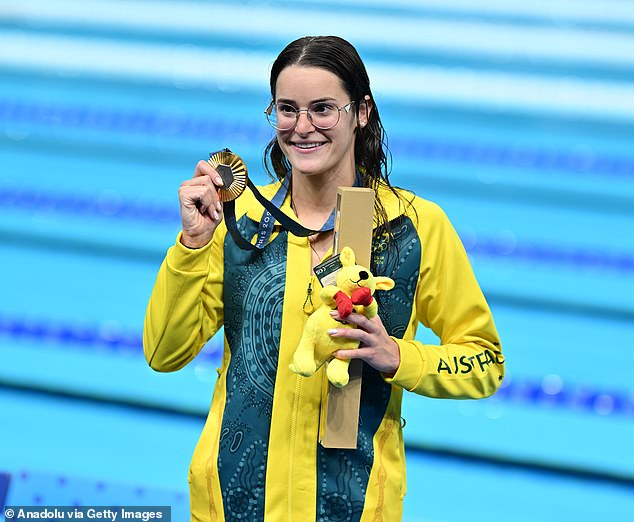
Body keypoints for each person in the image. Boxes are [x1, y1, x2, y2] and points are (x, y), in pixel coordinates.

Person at [143, 35, 504, 522]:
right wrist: (191, 246)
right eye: (287, 109)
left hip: (355, 507)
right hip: (229, 504)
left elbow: (485, 361)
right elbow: (164, 353)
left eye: (323, 109)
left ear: (362, 112)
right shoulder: (240, 217)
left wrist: (398, 356)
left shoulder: (414, 227)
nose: (302, 127)